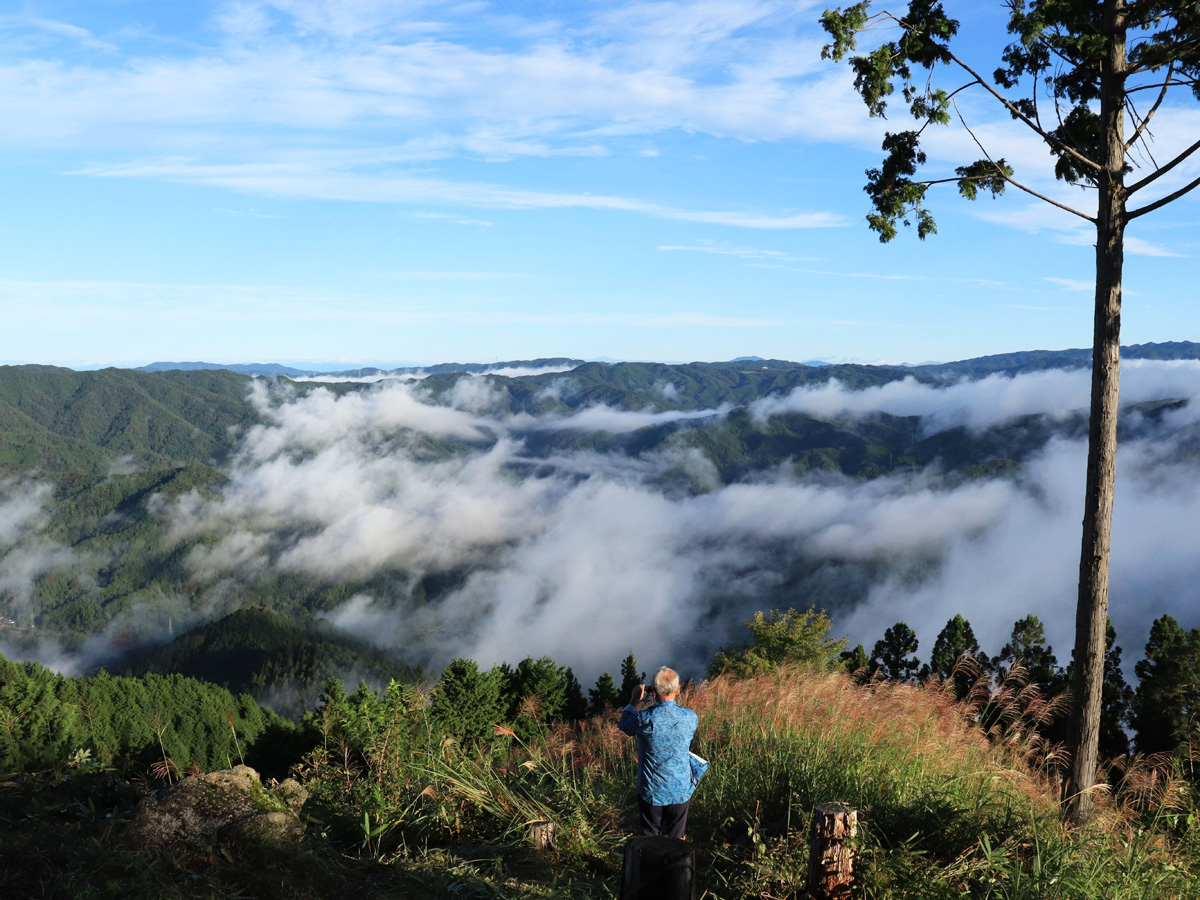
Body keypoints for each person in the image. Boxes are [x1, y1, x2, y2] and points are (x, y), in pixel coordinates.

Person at [617, 666, 699, 839]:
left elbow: (624, 724)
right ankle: (676, 864)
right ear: (678, 689)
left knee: (651, 837)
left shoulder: (645, 719)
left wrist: (634, 701)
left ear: (653, 692)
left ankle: (651, 863)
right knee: (677, 839)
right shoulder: (690, 717)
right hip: (680, 788)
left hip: (652, 790)